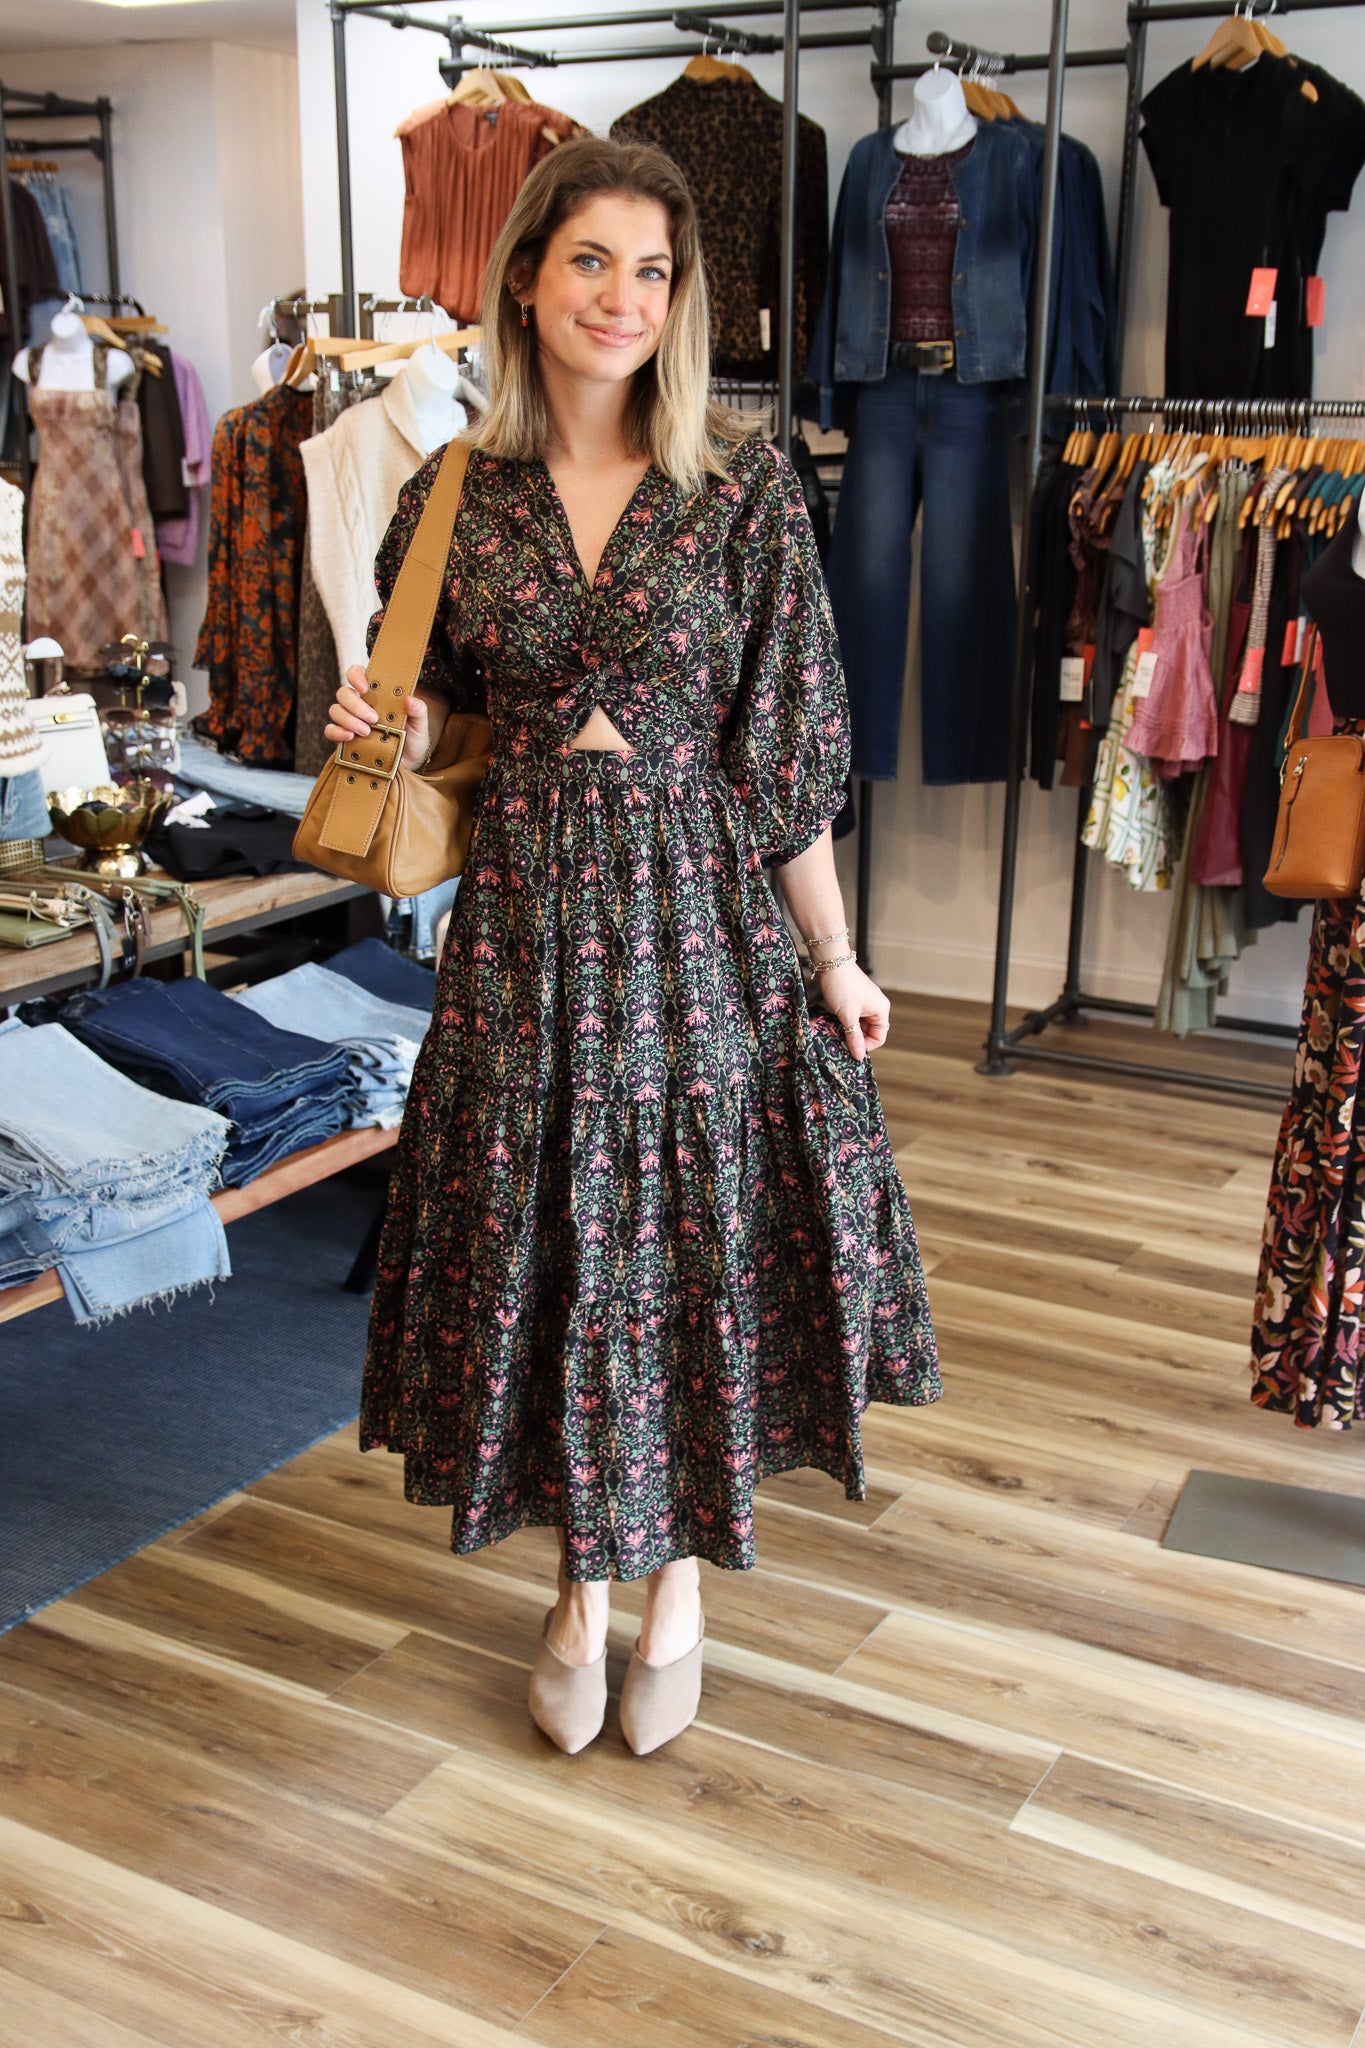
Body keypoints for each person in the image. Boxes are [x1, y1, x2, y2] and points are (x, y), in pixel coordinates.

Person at [325, 136, 939, 1759]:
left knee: (681, 1253)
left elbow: (786, 757)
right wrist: (397, 721)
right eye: (590, 260)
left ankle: (671, 1584)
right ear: (526, 275)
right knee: (549, 1249)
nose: (621, 298)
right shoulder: (451, 497)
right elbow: (437, 703)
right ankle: (573, 1589)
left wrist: (835, 956)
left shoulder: (741, 490)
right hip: (526, 927)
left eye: (652, 271)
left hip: (698, 925)